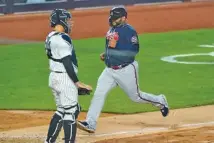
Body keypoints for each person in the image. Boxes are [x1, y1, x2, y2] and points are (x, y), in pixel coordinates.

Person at [77, 6, 169, 133]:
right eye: (112, 17)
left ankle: (160, 101)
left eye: (115, 18)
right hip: (109, 71)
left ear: (124, 18)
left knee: (136, 97)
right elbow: (113, 47)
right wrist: (106, 54)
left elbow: (133, 51)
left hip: (126, 70)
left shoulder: (129, 31)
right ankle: (90, 123)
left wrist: (115, 55)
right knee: (99, 93)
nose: (112, 20)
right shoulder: (112, 29)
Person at [44, 9, 92, 143]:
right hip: (65, 78)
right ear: (61, 21)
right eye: (67, 20)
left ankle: (49, 141)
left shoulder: (50, 36)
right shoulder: (63, 38)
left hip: (53, 77)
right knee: (70, 112)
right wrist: (77, 83)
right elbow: (66, 62)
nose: (69, 23)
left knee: (61, 110)